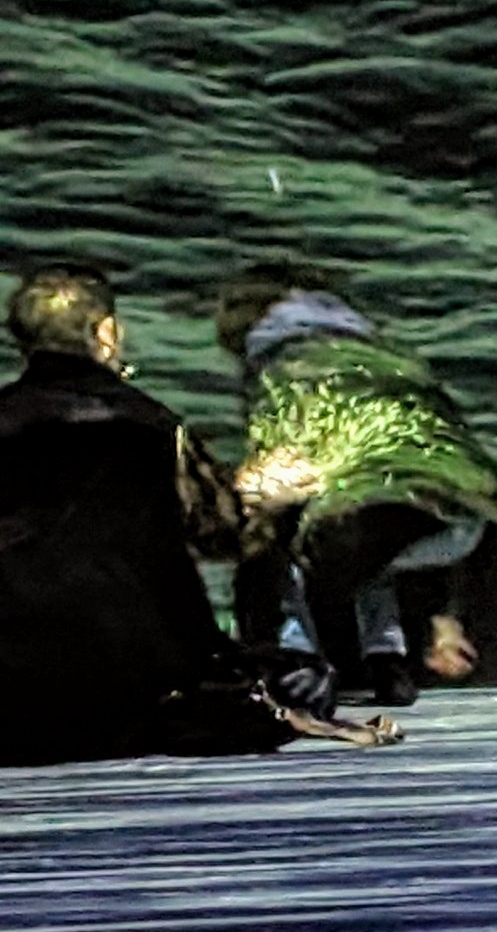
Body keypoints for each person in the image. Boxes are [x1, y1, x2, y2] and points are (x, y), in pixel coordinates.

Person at [2, 263, 395, 761]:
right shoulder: (154, 427)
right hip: (133, 687)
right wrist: (265, 493)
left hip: (14, 692)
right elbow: (228, 537)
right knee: (303, 677)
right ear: (106, 333)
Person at [214, 263, 497, 704]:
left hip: (376, 525)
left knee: (286, 539)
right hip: (472, 520)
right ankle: (397, 650)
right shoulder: (392, 357)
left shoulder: (283, 367)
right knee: (371, 538)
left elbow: (287, 473)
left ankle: (298, 662)